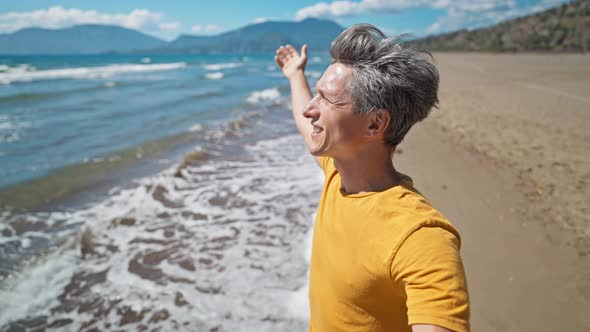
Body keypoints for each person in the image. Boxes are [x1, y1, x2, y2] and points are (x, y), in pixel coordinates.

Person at [274, 24, 470, 332]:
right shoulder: (336, 174)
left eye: (327, 99)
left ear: (375, 123)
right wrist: (295, 74)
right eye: (317, 95)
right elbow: (304, 119)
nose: (311, 110)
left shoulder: (420, 236)